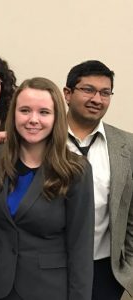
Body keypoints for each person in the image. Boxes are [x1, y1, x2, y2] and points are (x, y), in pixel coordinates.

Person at [0, 77, 95, 300]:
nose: (33, 120)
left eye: (44, 112)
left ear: (56, 118)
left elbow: (80, 248)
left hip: (47, 290)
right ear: (13, 114)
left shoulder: (75, 169)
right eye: (25, 110)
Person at [63, 60, 133, 299]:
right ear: (67, 94)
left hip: (104, 271)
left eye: (105, 93)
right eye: (88, 90)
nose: (97, 99)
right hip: (51, 267)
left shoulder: (127, 146)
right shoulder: (42, 137)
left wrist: (128, 269)